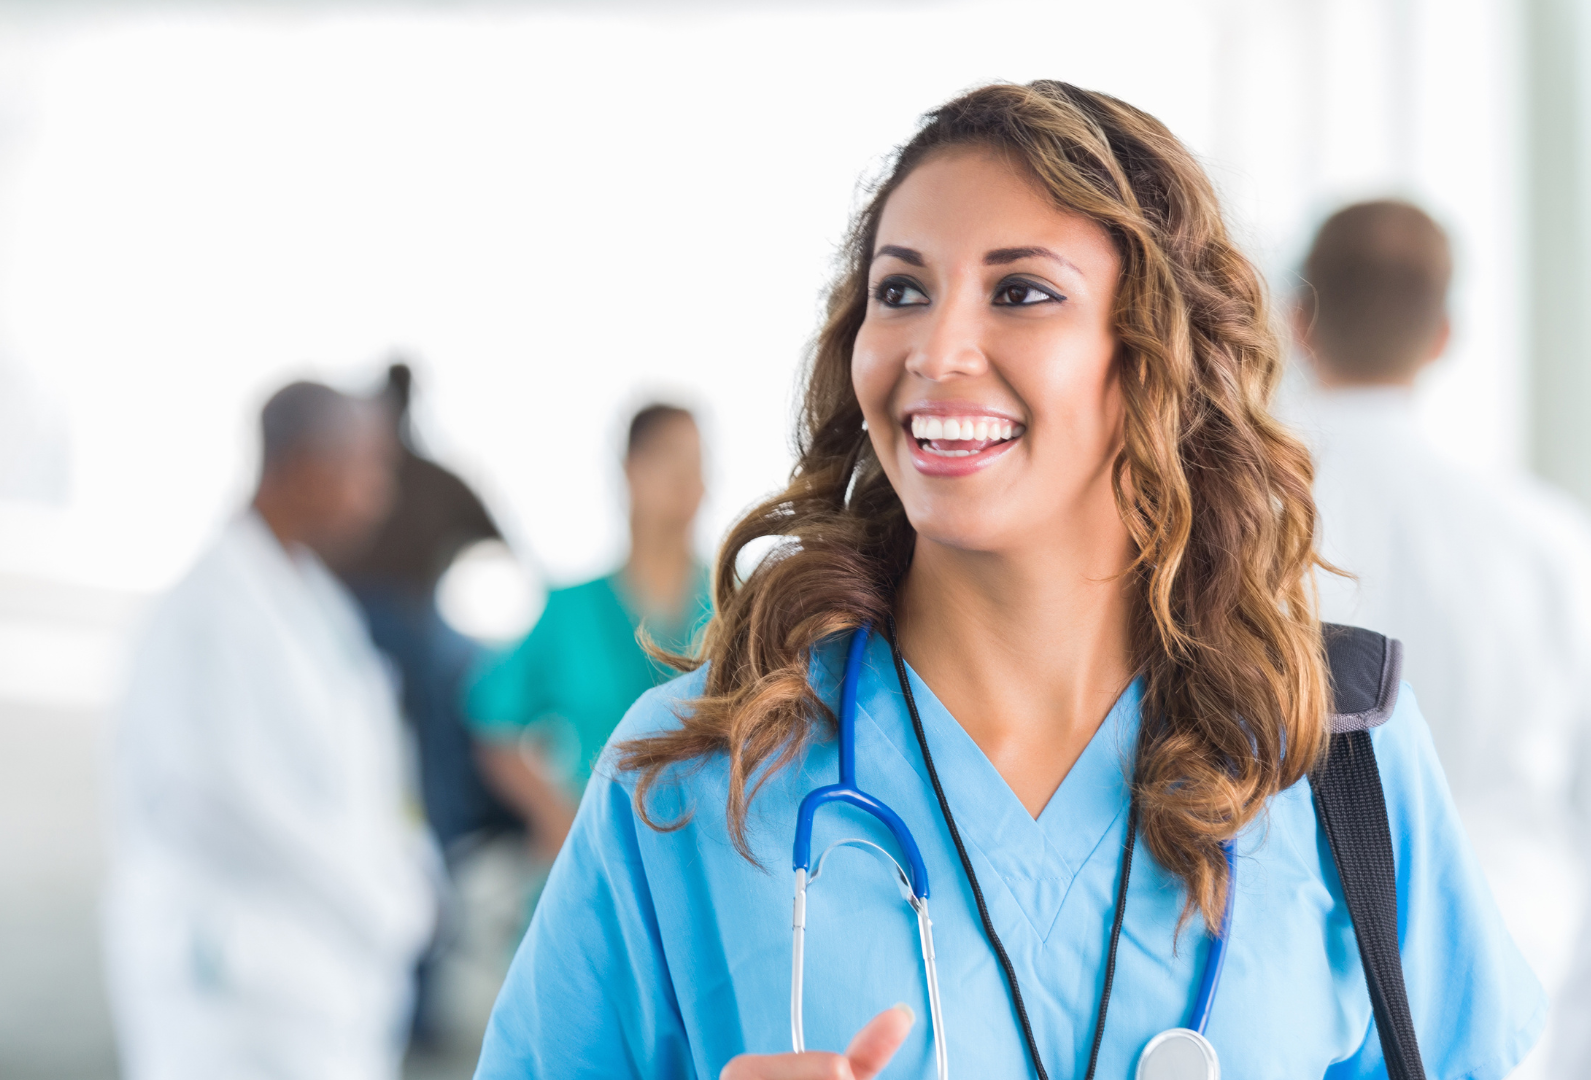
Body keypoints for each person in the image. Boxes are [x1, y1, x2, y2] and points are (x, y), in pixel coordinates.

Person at [472, 82, 1541, 1079]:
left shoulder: (1332, 753)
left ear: (1155, 352)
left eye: (1021, 292)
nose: (937, 350)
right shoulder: (693, 778)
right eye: (901, 291)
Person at [1287, 200, 1591, 1078]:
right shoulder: (1549, 545)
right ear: (1443, 336)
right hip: (1516, 980)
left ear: (1298, 322)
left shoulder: (1223, 530)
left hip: (1297, 989)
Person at [104, 381, 436, 1080]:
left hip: (313, 974)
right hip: (233, 981)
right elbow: (212, 797)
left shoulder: (311, 599)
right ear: (308, 467)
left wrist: (403, 873)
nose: (379, 496)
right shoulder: (205, 613)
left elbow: (362, 771)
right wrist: (366, 893)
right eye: (367, 469)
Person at [466, 403, 712, 861]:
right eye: (669, 458)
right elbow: (492, 719)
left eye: (697, 463)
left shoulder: (736, 607)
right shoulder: (571, 610)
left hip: (706, 855)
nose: (687, 479)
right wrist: (554, 818)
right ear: (630, 471)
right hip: (597, 855)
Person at [336, 362, 513, 853]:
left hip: (419, 616)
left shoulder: (432, 480)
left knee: (473, 676)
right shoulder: (357, 476)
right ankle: (445, 826)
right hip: (358, 621)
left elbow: (497, 539)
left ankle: (455, 823)